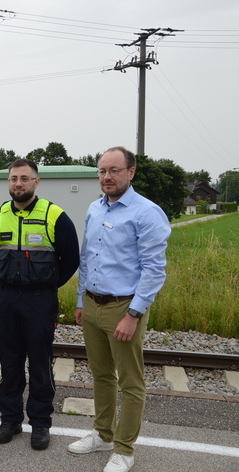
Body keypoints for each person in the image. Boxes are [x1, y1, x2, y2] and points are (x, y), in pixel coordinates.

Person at [68, 146, 170, 472]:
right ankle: (103, 434)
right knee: (100, 375)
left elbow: (154, 270)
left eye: (114, 170)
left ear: (131, 172)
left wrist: (133, 315)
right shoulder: (95, 209)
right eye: (102, 171)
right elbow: (87, 259)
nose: (107, 177)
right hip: (94, 304)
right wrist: (82, 300)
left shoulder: (146, 212)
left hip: (123, 308)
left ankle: (124, 450)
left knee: (130, 382)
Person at [0, 158, 79, 450]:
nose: (18, 183)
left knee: (39, 362)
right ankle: (10, 419)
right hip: (5, 298)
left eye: (24, 178)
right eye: (14, 178)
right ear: (9, 182)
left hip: (40, 299)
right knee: (10, 362)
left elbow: (71, 260)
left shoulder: (55, 215)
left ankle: (40, 423)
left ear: (36, 182)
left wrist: (48, 285)